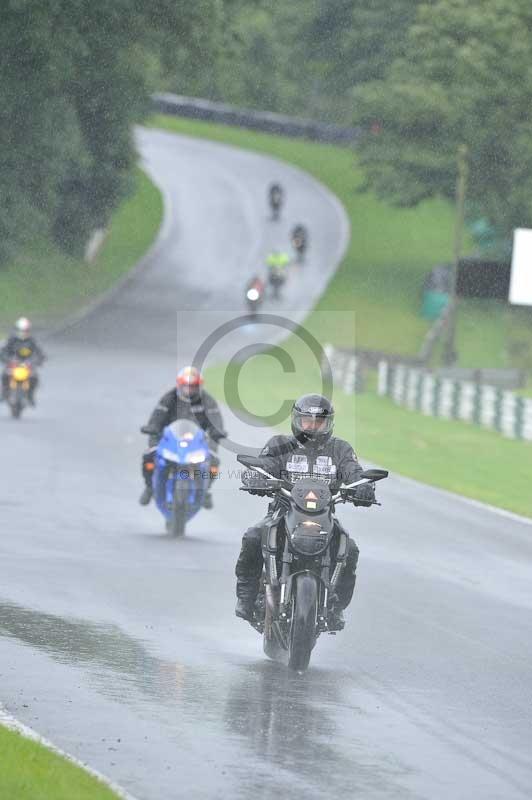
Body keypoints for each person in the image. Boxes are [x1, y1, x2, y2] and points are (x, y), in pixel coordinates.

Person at [234, 393, 375, 628]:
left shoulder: (340, 449)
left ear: (328, 423)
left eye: (318, 422)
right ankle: (246, 598)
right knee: (252, 537)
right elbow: (265, 466)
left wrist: (364, 488)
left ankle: (336, 606)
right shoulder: (280, 445)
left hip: (324, 517)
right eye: (307, 421)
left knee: (349, 549)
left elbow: (354, 472)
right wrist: (255, 477)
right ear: (297, 420)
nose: (312, 427)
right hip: (282, 512)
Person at [139, 366, 225, 508]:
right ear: (179, 385)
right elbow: (157, 415)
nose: (189, 390)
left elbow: (216, 418)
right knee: (149, 456)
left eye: (193, 387)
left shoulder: (207, 400)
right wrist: (152, 427)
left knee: (213, 461)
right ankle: (149, 487)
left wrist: (217, 431)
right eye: (186, 386)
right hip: (169, 439)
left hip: (198, 441)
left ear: (199, 386)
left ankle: (205, 490)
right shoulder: (170, 398)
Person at [0, 317, 46, 405]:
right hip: (13, 363)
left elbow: (39, 352)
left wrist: (39, 360)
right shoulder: (11, 340)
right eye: (21, 330)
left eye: (26, 330)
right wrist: (8, 360)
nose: (23, 332)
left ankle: (30, 395)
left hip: (27, 364)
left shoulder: (32, 341)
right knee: (5, 375)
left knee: (34, 378)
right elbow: (3, 351)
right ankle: (4, 392)